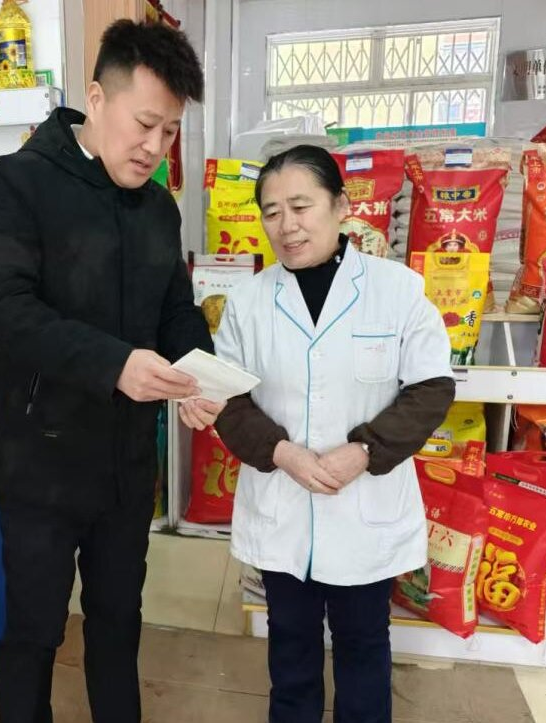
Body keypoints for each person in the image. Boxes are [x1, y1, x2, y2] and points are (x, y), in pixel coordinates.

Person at [0, 19, 218, 723]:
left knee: (118, 618)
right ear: (97, 99)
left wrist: (199, 375)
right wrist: (114, 364)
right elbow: (3, 307)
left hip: (125, 463)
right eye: (145, 124)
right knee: (35, 629)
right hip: (39, 462)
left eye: (170, 131)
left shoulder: (158, 208)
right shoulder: (20, 182)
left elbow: (175, 310)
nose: (154, 147)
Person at [212, 145, 456, 723]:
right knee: (290, 648)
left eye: (301, 206)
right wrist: (281, 452)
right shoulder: (248, 302)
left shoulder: (396, 290)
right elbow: (228, 398)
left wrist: (365, 450)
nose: (287, 225)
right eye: (272, 212)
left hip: (363, 504)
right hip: (284, 502)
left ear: (341, 206)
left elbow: (430, 389)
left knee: (363, 644)